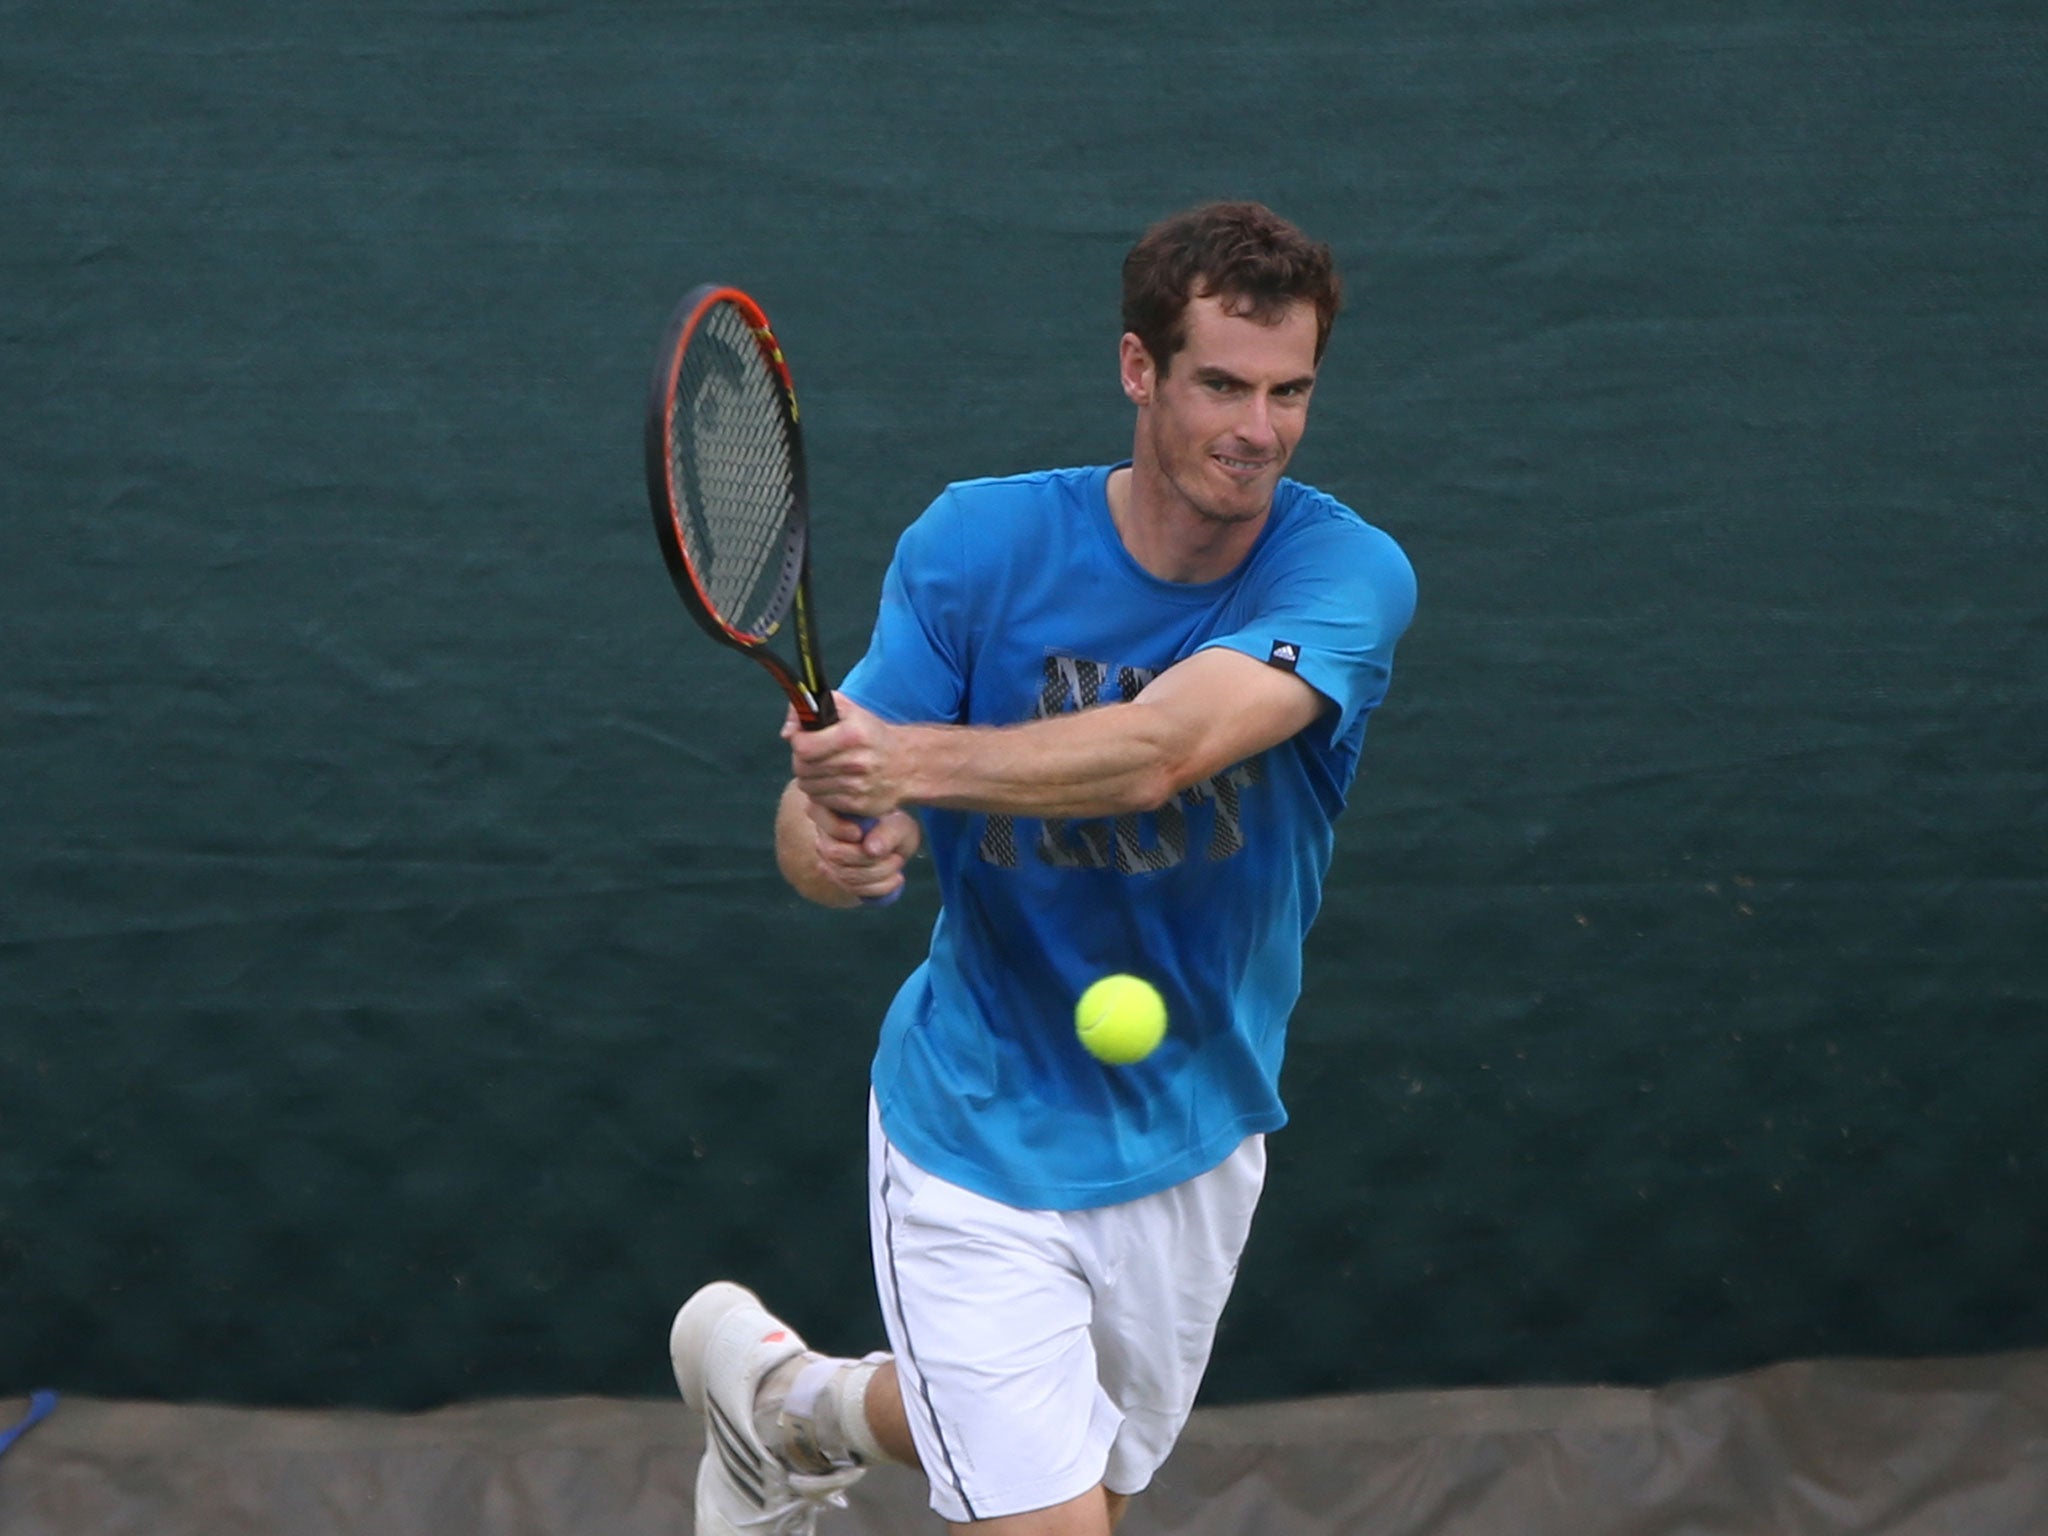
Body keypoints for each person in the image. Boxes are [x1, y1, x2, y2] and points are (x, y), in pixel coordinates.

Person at [670, 200, 1417, 1536]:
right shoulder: (977, 549)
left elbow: (1158, 752)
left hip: (1197, 1127)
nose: (1259, 429)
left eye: (1291, 390)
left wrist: (910, 769)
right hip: (975, 1126)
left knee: (1072, 1449)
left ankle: (791, 1407)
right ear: (1139, 370)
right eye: (1222, 386)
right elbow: (828, 801)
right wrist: (834, 842)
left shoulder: (1347, 573)